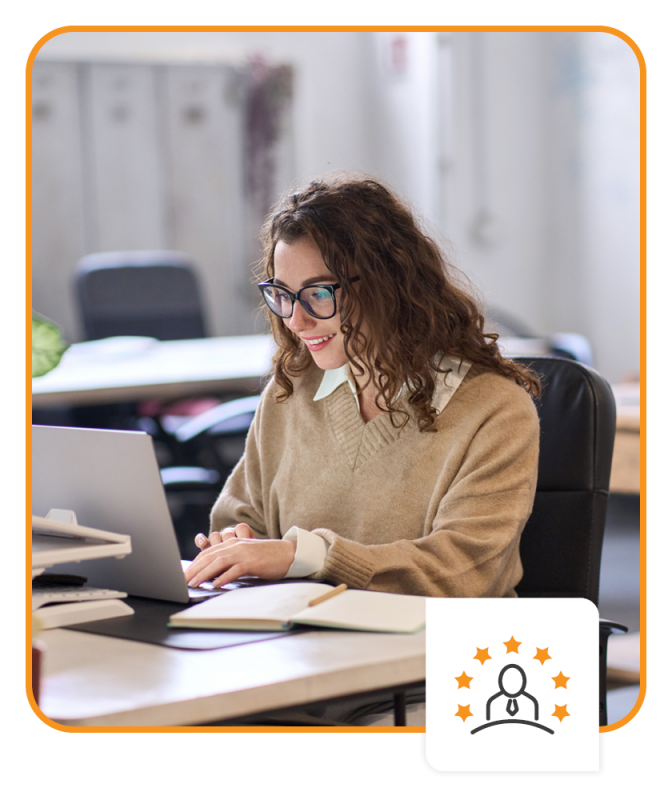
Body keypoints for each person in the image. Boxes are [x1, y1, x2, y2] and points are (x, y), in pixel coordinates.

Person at [185, 173, 541, 600]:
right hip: (306, 640)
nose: (296, 322)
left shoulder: (494, 410)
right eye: (282, 294)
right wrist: (233, 544)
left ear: (388, 285)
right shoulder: (290, 393)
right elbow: (238, 520)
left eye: (318, 293)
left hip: (450, 655)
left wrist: (306, 556)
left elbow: (463, 571)